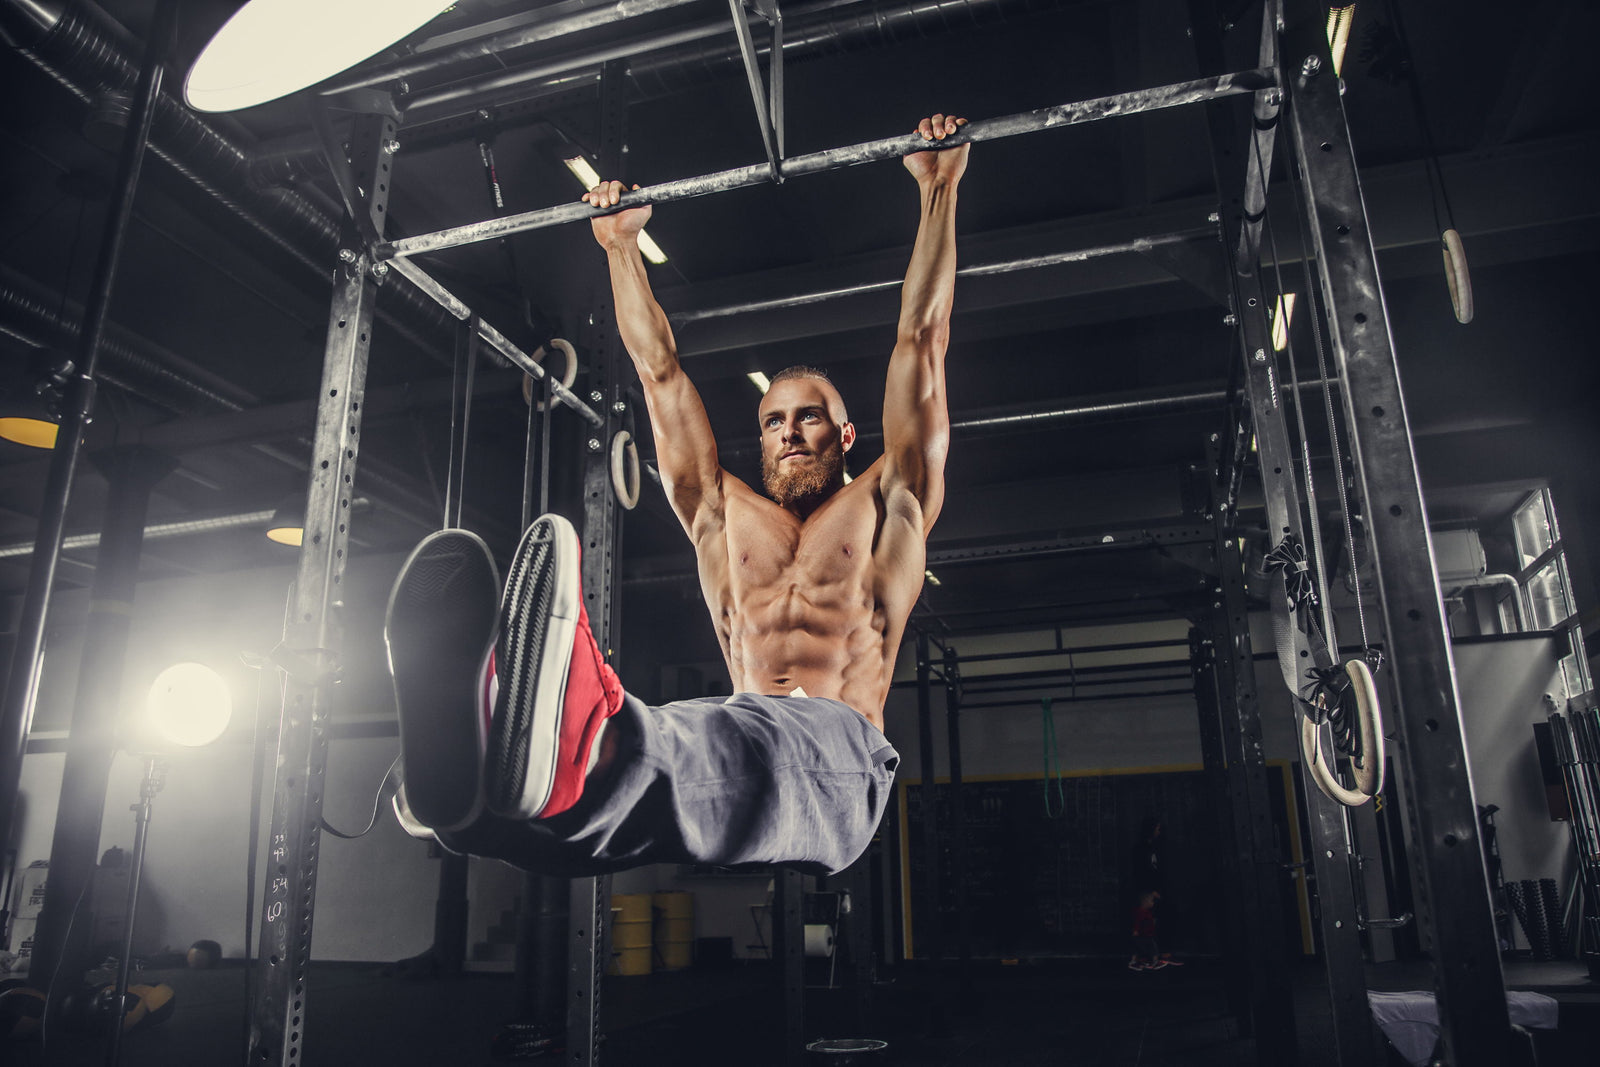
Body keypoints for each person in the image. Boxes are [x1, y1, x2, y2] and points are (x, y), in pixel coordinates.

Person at [383, 113, 970, 877]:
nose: (790, 431)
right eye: (774, 421)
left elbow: (921, 337)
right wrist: (621, 248)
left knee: (697, 749)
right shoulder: (720, 514)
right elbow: (659, 376)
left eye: (810, 417)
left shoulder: (893, 498)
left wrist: (940, 188)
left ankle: (584, 740)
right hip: (735, 736)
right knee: (635, 771)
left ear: (846, 435)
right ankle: (477, 800)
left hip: (842, 757)